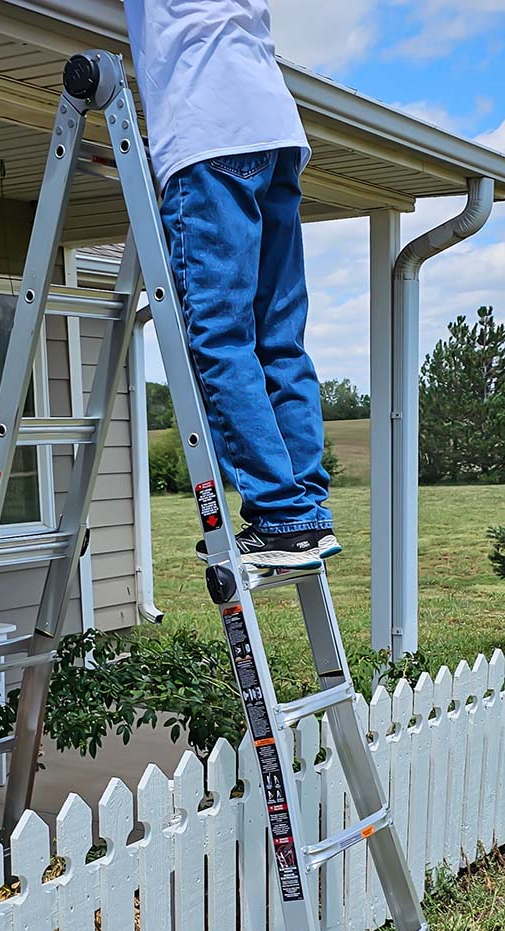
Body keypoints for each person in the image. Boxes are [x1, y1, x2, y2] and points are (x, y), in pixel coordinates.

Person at [123, 0, 339, 570]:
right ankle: (305, 516)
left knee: (220, 337)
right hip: (276, 131)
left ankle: (278, 513)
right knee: (279, 339)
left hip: (207, 131)